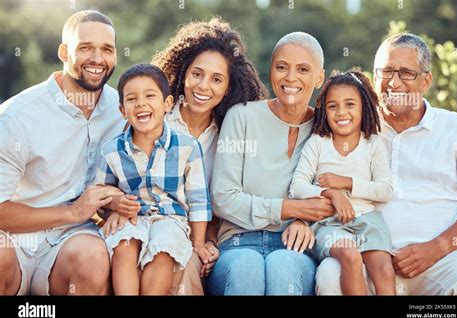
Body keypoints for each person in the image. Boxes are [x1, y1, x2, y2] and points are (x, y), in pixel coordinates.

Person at [316, 33, 457, 295]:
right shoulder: (353, 127)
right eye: (386, 71)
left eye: (406, 73)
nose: (394, 82)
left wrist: (436, 249)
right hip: (366, 258)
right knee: (330, 275)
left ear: (426, 80)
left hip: (441, 261)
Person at [0, 10, 124, 295]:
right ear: (64, 52)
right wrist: (73, 211)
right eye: (85, 48)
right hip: (13, 239)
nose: (97, 58)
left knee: (92, 257)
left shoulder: (123, 109)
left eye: (107, 49)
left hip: (72, 240)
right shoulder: (16, 118)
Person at [207, 32, 336, 295]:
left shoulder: (327, 128)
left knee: (283, 264)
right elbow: (223, 198)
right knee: (247, 265)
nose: (290, 78)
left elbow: (330, 202)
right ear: (271, 70)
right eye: (282, 67)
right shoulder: (241, 117)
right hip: (237, 245)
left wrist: (303, 221)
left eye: (303, 69)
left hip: (297, 248)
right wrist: (291, 209)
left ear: (319, 78)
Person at [152, 17, 268, 295]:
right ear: (183, 73)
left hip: (205, 237)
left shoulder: (231, 134)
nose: (203, 86)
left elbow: (225, 201)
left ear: (229, 87)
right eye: (197, 74)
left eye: (217, 79)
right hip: (154, 229)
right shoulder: (156, 120)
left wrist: (210, 242)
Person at [95, 64, 212, 295]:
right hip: (131, 218)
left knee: (164, 250)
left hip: (171, 219)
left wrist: (198, 244)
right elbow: (101, 195)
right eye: (132, 98)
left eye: (150, 95)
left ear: (167, 104)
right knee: (124, 246)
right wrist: (114, 207)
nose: (141, 103)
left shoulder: (187, 147)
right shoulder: (112, 151)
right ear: (122, 110)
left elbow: (199, 201)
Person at [290, 69, 395, 295]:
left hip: (368, 220)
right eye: (332, 106)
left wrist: (346, 183)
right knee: (350, 255)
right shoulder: (318, 143)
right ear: (324, 111)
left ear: (363, 108)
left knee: (385, 270)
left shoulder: (373, 144)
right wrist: (330, 193)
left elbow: (385, 190)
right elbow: (297, 187)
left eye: (350, 104)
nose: (341, 112)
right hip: (330, 224)